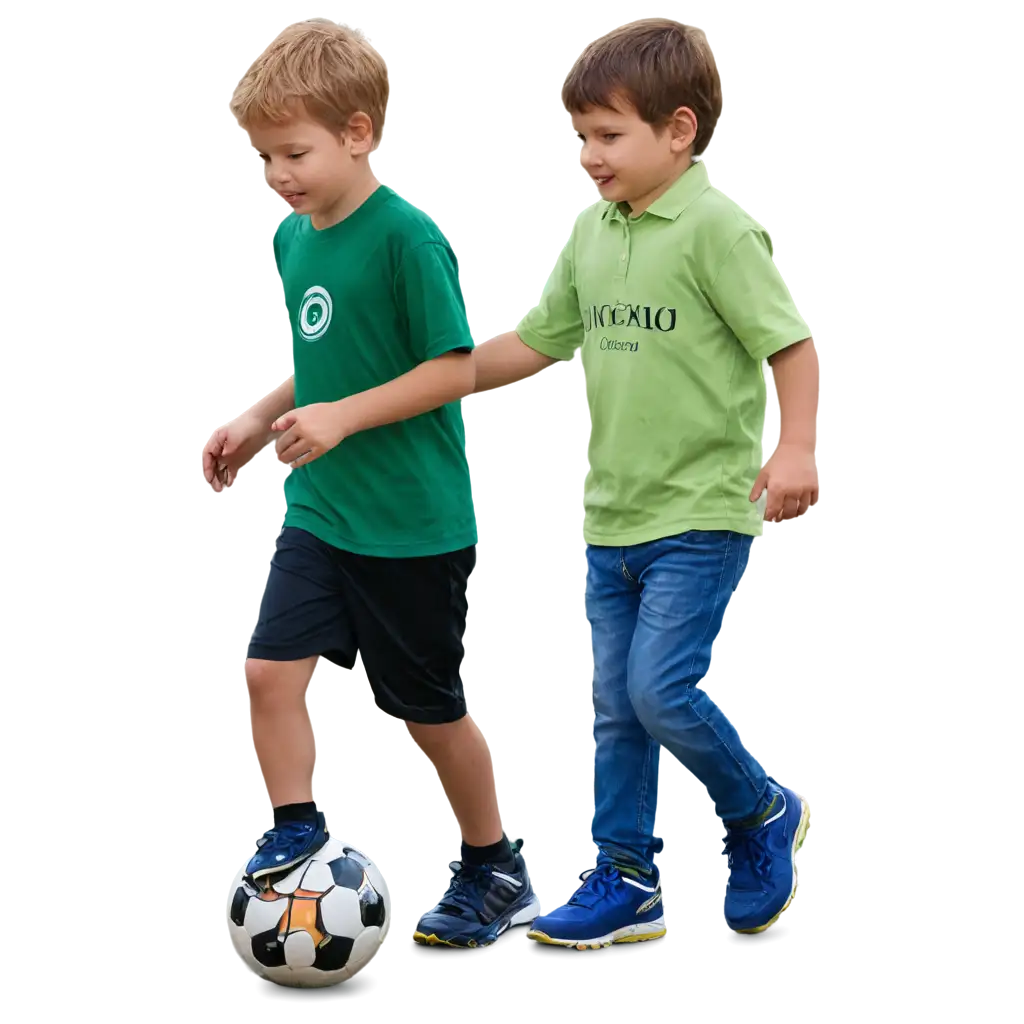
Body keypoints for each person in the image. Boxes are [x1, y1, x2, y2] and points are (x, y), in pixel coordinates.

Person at [472, 19, 821, 948]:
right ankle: (625, 878)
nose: (588, 155)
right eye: (579, 136)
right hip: (610, 516)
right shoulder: (591, 229)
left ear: (679, 131)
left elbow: (790, 341)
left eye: (608, 135)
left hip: (700, 511)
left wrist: (794, 451)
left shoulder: (717, 226)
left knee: (661, 693)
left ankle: (761, 812)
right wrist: (435, 370)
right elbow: (531, 343)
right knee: (616, 713)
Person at [199, 16, 541, 950]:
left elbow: (454, 369)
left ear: (357, 133)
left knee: (428, 720)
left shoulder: (406, 238)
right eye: (265, 157)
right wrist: (255, 417)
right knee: (266, 673)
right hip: (322, 511)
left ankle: (492, 864)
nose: (280, 175)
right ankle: (294, 831)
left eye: (296, 151)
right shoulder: (294, 237)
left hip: (411, 527)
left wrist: (342, 417)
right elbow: (321, 362)